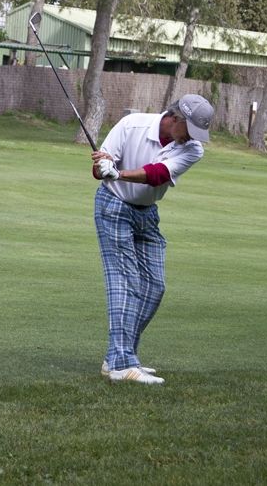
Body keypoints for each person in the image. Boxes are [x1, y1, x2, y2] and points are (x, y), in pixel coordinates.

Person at [90, 93, 214, 385]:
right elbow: (98, 170)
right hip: (113, 206)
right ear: (175, 118)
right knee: (126, 282)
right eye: (190, 130)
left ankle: (117, 357)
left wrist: (118, 172)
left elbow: (157, 175)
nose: (191, 138)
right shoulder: (131, 124)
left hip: (146, 213)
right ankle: (122, 365)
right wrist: (103, 167)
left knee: (154, 287)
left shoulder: (193, 149)